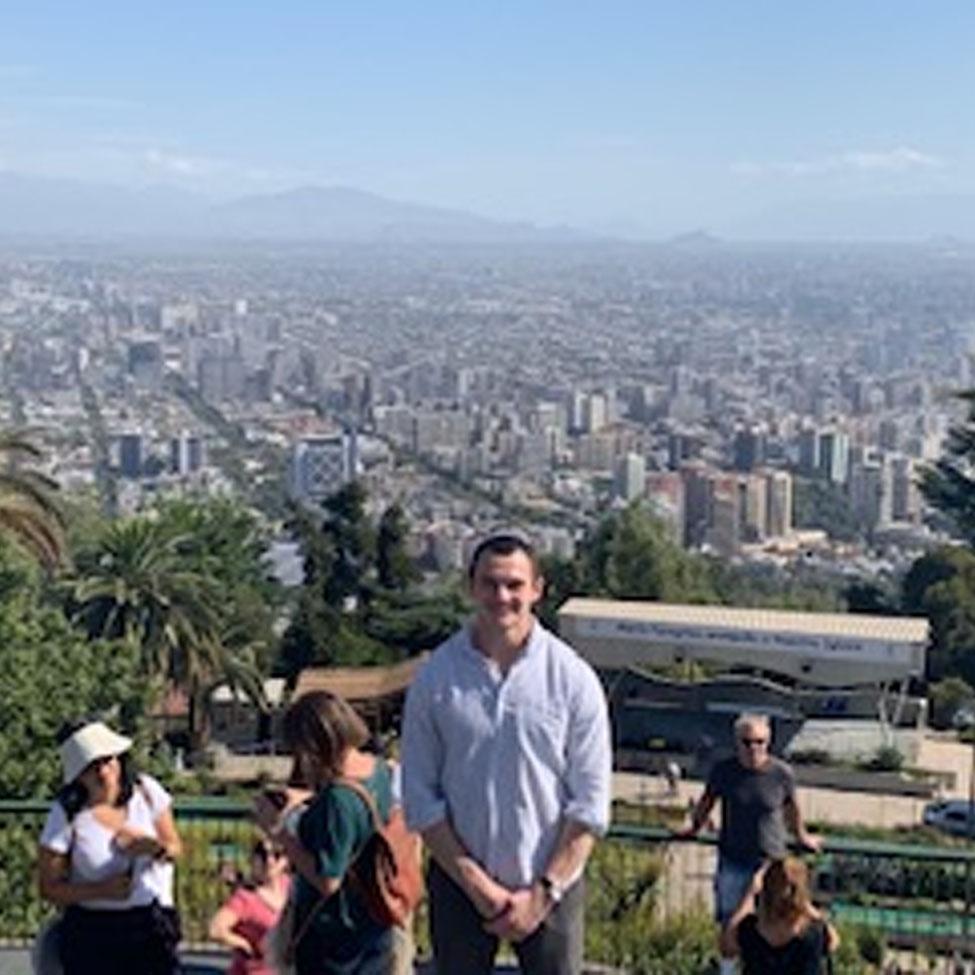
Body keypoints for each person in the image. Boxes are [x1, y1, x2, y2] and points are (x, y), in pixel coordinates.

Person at [402, 532, 612, 975]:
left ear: (537, 589)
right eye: (490, 584)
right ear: (472, 588)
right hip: (460, 884)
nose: (502, 596)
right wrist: (477, 885)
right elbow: (420, 796)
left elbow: (590, 805)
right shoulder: (436, 678)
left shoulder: (572, 679)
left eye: (515, 585)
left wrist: (542, 893)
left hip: (552, 885)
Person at [254, 690, 395, 975]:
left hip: (336, 936)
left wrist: (280, 832)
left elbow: (328, 879)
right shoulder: (378, 771)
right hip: (375, 924)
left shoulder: (338, 800)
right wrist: (307, 800)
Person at [677, 714, 820, 975]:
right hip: (734, 860)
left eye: (760, 742)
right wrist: (694, 828)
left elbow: (792, 810)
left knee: (783, 921)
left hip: (773, 864)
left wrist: (802, 836)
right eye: (747, 742)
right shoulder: (724, 771)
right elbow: (706, 803)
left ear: (769, 742)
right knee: (731, 924)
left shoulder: (781, 774)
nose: (754, 748)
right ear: (736, 743)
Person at [37, 719, 183, 975]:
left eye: (108, 760)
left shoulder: (147, 791)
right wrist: (100, 890)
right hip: (92, 934)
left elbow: (175, 848)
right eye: (92, 767)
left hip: (148, 927)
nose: (104, 772)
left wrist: (153, 848)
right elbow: (49, 887)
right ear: (79, 774)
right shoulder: (67, 812)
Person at [719, 857, 839, 974]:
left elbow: (727, 945)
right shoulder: (813, 933)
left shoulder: (750, 930)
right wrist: (806, 906)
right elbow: (833, 942)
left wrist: (750, 894)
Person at [209, 838, 291, 975]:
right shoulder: (246, 899)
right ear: (255, 859)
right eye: (263, 854)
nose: (270, 861)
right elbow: (216, 929)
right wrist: (245, 945)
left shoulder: (291, 888)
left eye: (276, 854)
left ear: (285, 860)